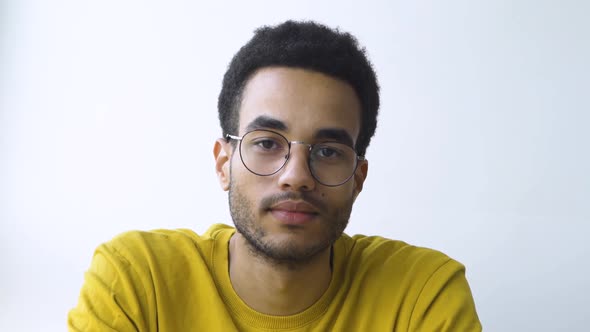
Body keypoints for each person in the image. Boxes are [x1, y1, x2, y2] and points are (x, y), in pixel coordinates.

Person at [68, 20, 481, 331]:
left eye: (327, 151)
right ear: (223, 163)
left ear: (358, 177)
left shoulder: (422, 295)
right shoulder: (138, 281)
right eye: (267, 143)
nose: (296, 177)